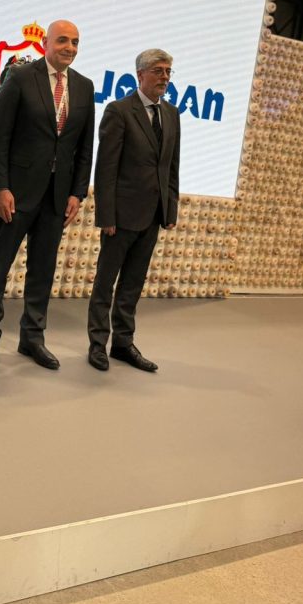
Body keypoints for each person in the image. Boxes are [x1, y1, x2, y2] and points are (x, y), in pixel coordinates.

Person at [0, 20, 94, 371]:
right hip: (16, 193)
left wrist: (77, 193)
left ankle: (32, 338)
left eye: (75, 42)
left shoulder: (84, 87)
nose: (69, 47)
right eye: (62, 40)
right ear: (45, 43)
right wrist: (0, 187)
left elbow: (85, 147)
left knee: (42, 270)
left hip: (57, 197)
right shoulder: (20, 77)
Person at [87, 49, 180, 372]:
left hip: (153, 215)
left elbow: (171, 167)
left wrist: (170, 209)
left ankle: (123, 344)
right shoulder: (119, 111)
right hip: (121, 216)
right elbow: (106, 168)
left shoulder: (172, 114)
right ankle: (97, 343)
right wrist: (106, 216)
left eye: (168, 71)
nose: (164, 77)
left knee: (133, 284)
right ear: (140, 74)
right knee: (105, 283)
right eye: (158, 71)